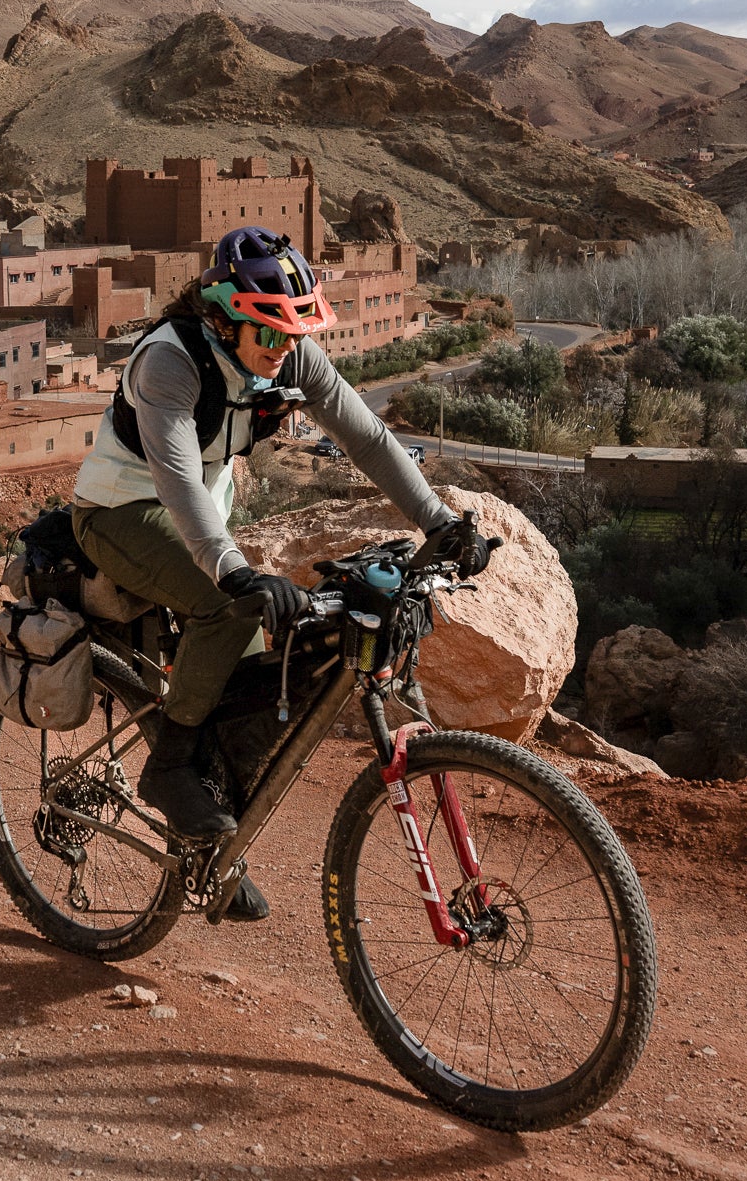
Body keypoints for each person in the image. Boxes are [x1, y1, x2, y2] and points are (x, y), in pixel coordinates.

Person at [70, 228, 491, 879]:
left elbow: (367, 437)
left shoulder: (289, 358)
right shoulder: (169, 362)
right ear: (224, 317)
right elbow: (176, 480)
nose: (285, 347)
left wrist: (437, 521)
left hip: (197, 519)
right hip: (119, 510)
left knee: (253, 689)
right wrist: (233, 571)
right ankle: (169, 767)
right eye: (270, 332)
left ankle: (211, 855)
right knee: (223, 606)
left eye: (294, 333)